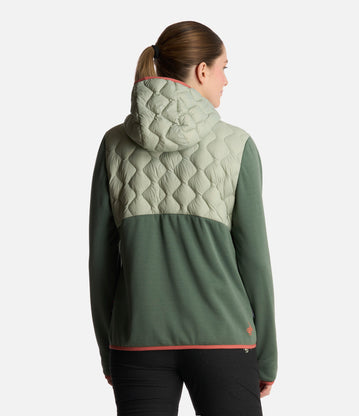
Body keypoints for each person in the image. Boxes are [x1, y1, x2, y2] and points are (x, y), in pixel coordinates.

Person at [89, 20, 278, 416]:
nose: (226, 80)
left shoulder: (113, 145)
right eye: (224, 68)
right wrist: (266, 357)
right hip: (224, 340)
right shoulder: (237, 145)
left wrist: (110, 349)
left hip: (136, 341)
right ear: (202, 70)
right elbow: (255, 261)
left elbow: (101, 262)